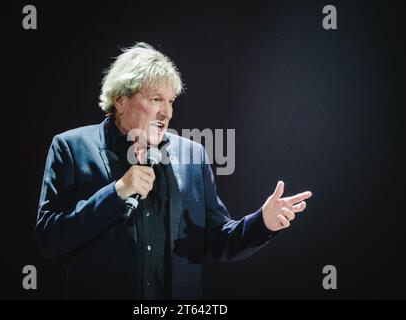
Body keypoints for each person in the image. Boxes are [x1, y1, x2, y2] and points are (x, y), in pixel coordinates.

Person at [36, 42, 312, 299]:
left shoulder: (192, 156)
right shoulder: (71, 148)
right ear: (120, 100)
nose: (167, 112)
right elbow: (50, 239)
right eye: (156, 99)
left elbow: (217, 240)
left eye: (171, 101)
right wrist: (117, 192)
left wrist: (262, 222)